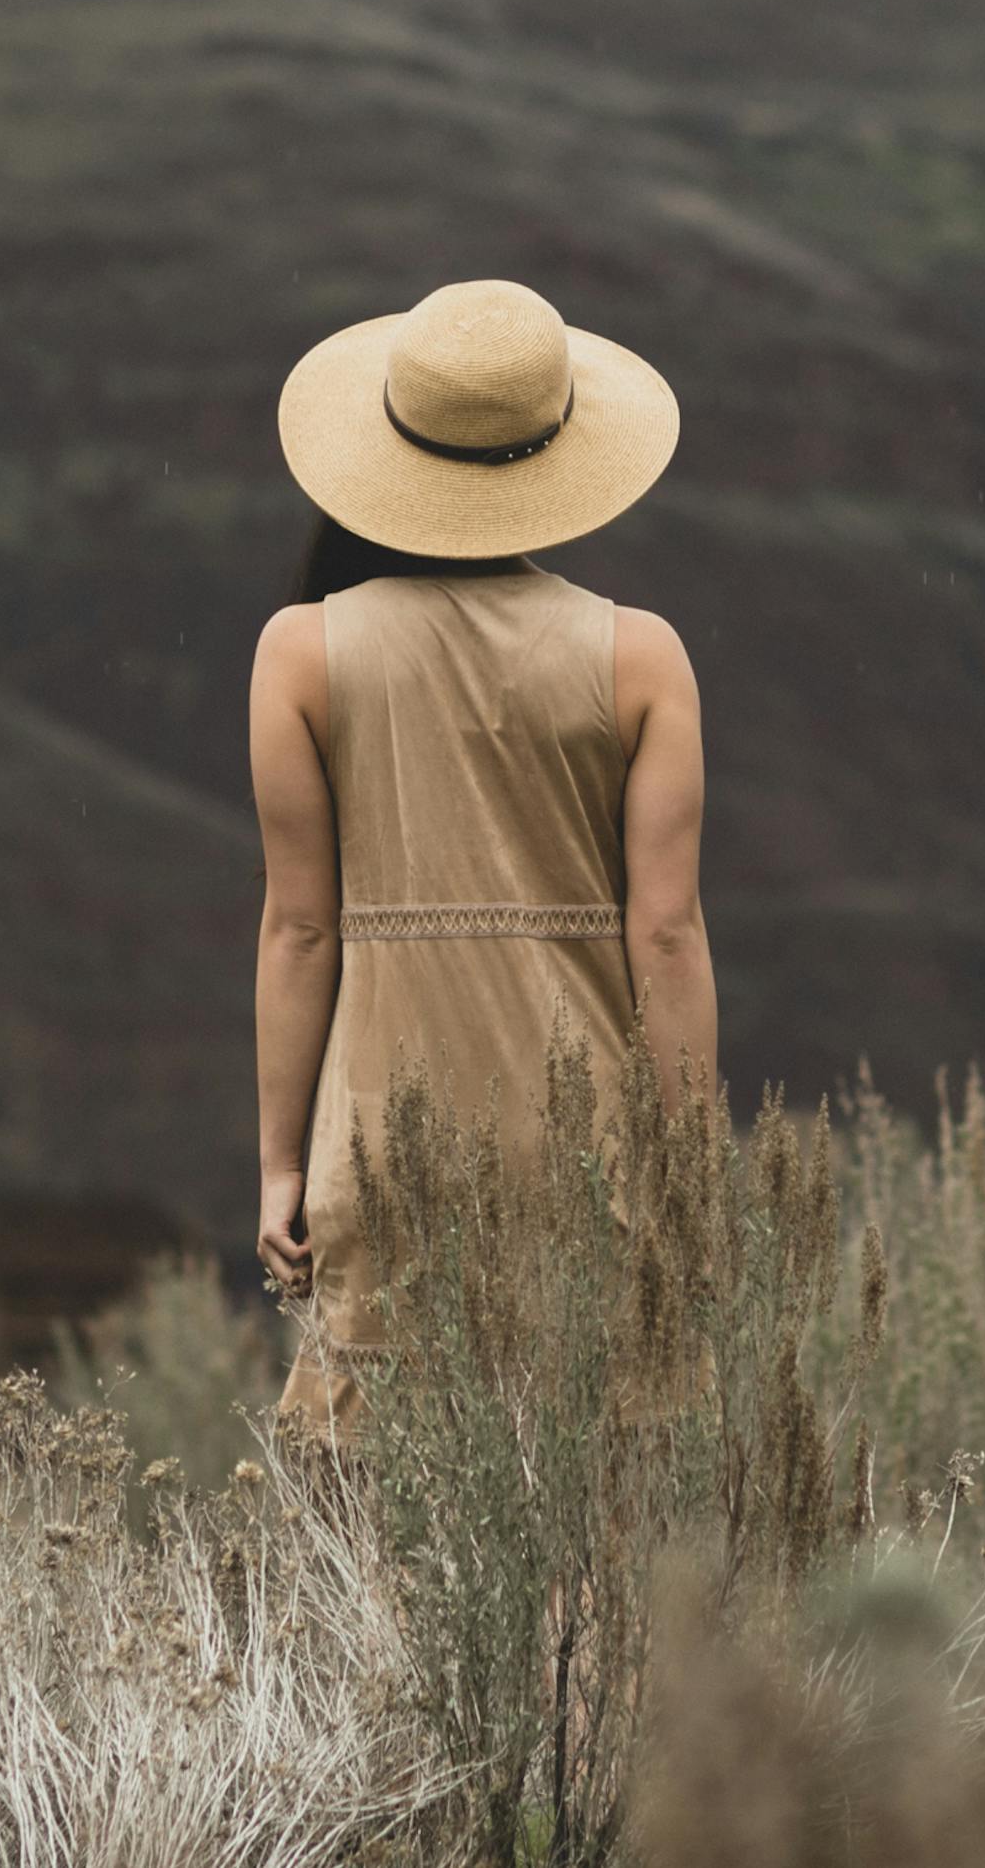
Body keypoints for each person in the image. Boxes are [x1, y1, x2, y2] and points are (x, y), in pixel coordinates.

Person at [248, 277, 715, 1435]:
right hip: (586, 1134)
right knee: (593, 1480)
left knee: (384, 1499)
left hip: (381, 1129)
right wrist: (690, 1175)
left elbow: (300, 928)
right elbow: (664, 934)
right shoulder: (641, 658)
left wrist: (280, 1168)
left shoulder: (300, 653)